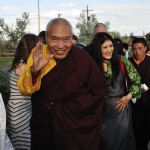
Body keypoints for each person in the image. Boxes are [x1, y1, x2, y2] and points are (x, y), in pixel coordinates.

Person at [17, 18, 105, 150]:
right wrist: (34, 71)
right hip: (44, 124)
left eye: (66, 39)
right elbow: (24, 90)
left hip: (74, 126)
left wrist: (67, 108)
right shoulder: (38, 54)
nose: (60, 46)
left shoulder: (81, 57)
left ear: (72, 39)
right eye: (54, 39)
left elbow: (98, 89)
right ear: (46, 38)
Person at [90, 32, 141, 150]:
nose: (109, 50)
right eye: (105, 47)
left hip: (121, 109)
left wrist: (128, 97)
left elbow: (137, 81)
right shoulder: (92, 65)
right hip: (102, 111)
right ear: (98, 49)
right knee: (105, 142)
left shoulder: (122, 60)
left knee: (122, 142)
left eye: (111, 46)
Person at [6, 33, 39, 150]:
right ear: (32, 49)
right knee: (25, 145)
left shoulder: (22, 64)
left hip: (21, 110)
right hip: (19, 113)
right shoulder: (22, 66)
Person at [129, 38, 150, 150]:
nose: (137, 52)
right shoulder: (128, 62)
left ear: (145, 48)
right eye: (134, 49)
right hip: (134, 102)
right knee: (136, 129)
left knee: (147, 129)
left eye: (140, 49)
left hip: (147, 102)